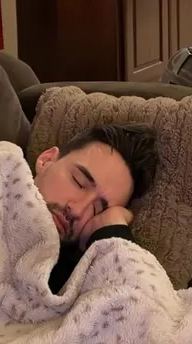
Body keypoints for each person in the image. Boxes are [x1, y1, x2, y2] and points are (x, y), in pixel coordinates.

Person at [33, 123, 159, 293]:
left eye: (97, 210)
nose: (78, 211)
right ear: (46, 160)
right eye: (78, 182)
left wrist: (112, 228)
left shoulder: (71, 283)